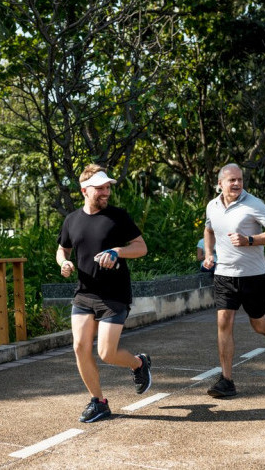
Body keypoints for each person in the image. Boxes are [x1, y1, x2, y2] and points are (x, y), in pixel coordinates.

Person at [56, 164, 151, 423]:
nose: (106, 192)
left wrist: (117, 251)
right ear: (84, 190)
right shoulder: (71, 220)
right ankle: (99, 402)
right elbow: (62, 249)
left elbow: (141, 248)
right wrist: (63, 263)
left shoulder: (118, 217)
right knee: (79, 347)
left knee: (106, 353)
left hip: (114, 295)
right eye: (100, 188)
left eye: (107, 187)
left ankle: (139, 364)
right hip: (85, 294)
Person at [202, 163, 265, 398]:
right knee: (224, 322)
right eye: (232, 180)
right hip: (224, 275)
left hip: (253, 277)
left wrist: (249, 239)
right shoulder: (212, 206)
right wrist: (210, 254)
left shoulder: (254, 204)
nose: (237, 184)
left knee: (258, 325)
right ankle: (226, 380)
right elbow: (209, 230)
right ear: (220, 183)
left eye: (240, 180)